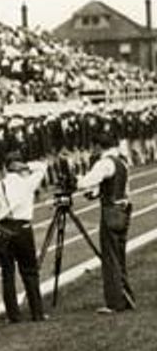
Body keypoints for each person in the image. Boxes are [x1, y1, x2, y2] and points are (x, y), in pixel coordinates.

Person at [0, 151, 48, 323]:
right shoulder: (28, 182)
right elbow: (42, 167)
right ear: (19, 167)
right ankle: (37, 313)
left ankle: (13, 315)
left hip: (4, 230)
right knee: (30, 272)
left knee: (7, 274)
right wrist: (26, 166)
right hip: (24, 230)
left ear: (5, 168)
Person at [75, 134, 137, 314]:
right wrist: (96, 194)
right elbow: (120, 186)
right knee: (119, 255)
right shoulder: (122, 161)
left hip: (111, 212)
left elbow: (88, 181)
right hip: (123, 209)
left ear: (98, 146)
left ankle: (114, 302)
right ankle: (126, 295)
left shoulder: (104, 163)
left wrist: (77, 180)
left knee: (110, 257)